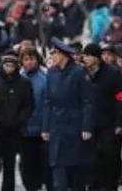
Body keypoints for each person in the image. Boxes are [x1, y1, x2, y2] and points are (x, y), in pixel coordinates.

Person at [42, 38, 94, 191]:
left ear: (62, 54)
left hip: (75, 125)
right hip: (56, 126)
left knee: (76, 171)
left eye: (54, 53)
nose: (52, 57)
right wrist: (45, 127)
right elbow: (48, 101)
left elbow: (87, 101)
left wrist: (87, 127)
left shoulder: (79, 72)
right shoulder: (51, 73)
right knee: (58, 170)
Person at [0, 52, 34, 191]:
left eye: (12, 65)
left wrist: (19, 120)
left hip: (14, 129)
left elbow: (29, 105)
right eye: (7, 65)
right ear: (2, 65)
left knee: (10, 164)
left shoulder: (24, 82)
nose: (9, 68)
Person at [82, 43, 122, 191]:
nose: (85, 58)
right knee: (92, 161)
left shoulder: (113, 73)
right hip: (90, 124)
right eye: (84, 55)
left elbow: (120, 98)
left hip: (109, 124)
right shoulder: (83, 73)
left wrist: (119, 123)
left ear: (97, 58)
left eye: (89, 56)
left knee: (109, 159)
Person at [19, 47, 51, 191]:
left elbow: (48, 104)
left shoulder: (45, 78)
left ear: (37, 60)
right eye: (26, 59)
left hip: (42, 130)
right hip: (24, 129)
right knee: (27, 165)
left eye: (32, 59)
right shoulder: (18, 77)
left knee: (43, 163)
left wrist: (46, 126)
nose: (29, 62)